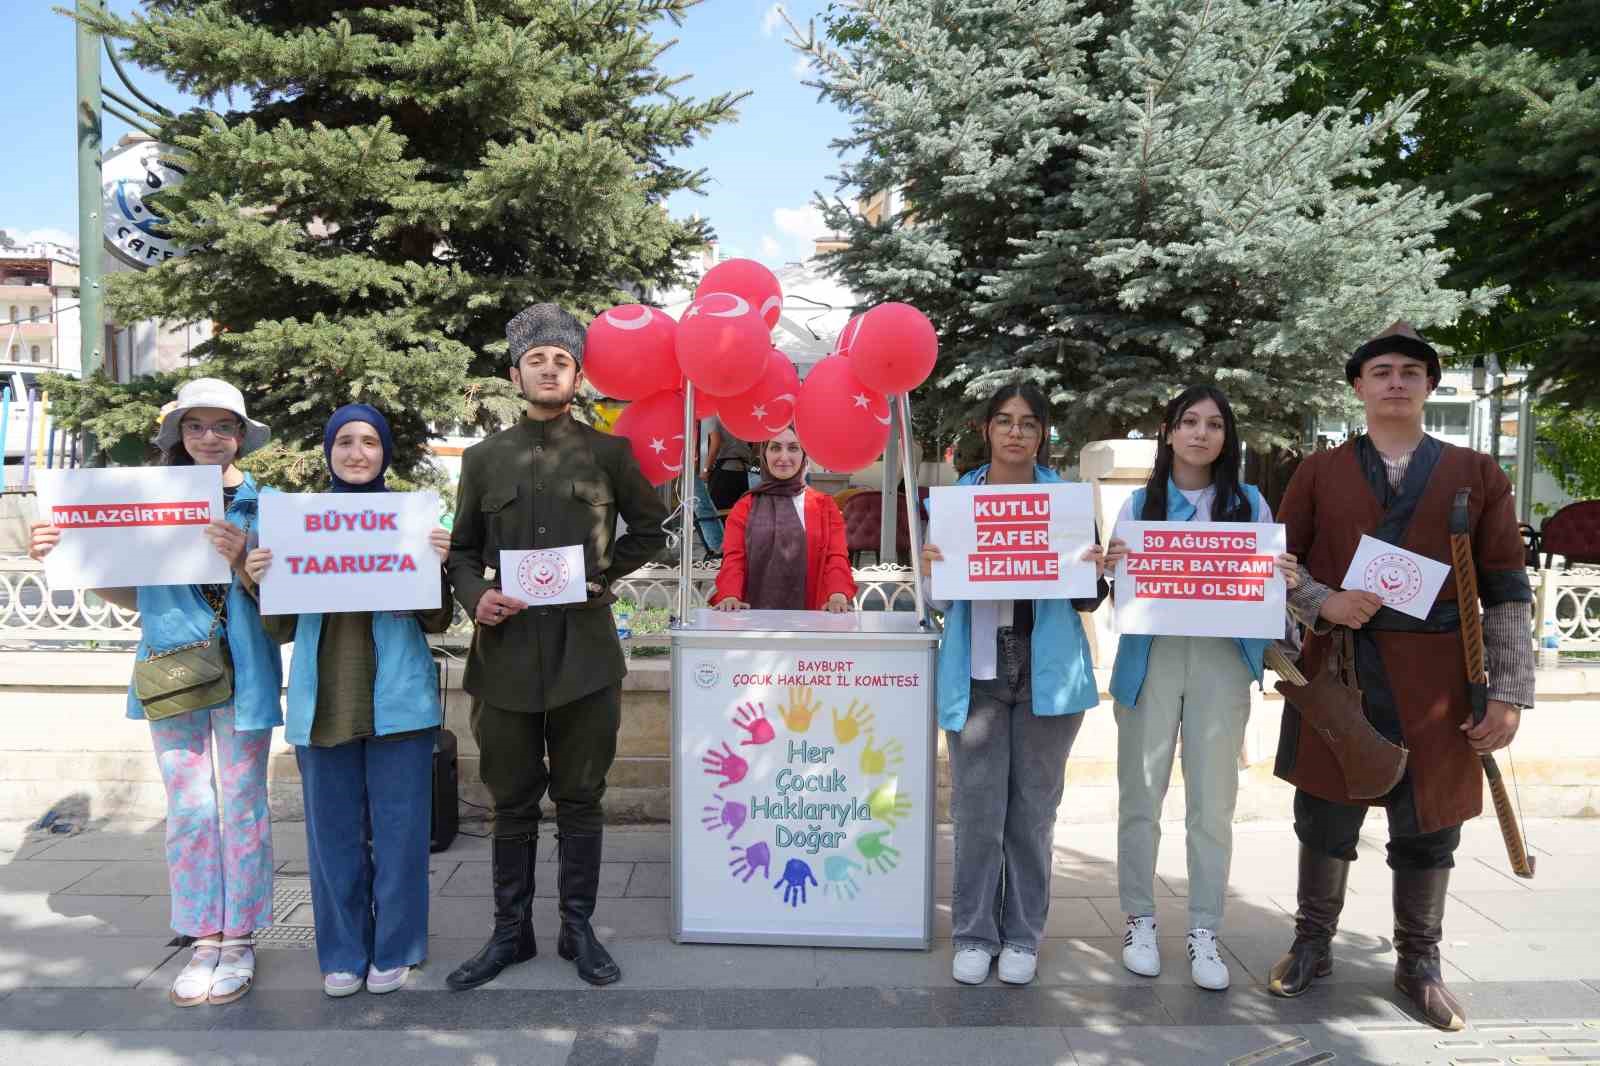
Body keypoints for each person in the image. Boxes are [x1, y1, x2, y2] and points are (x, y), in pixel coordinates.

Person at [1266, 322, 1534, 1030]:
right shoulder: (1317, 472)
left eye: (1409, 372)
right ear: (1358, 386)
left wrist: (1508, 693)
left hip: (1439, 677)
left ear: (1429, 387)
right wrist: (1326, 601)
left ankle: (1420, 962)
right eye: (1380, 371)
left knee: (1429, 825)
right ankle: (1312, 944)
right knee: (1323, 816)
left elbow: (1507, 589)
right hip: (1339, 671)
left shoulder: (1477, 474)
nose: (1394, 382)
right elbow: (1277, 570)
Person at [29, 377, 282, 1007]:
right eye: (194, 426)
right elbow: (130, 592)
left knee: (244, 806)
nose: (208, 438)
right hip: (171, 669)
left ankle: (241, 937)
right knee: (190, 808)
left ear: (240, 436)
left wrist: (242, 558)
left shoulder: (267, 505)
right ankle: (204, 937)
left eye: (221, 426)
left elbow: (288, 606)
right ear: (178, 436)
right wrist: (68, 558)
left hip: (246, 672)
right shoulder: (148, 499)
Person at [445, 303, 670, 989]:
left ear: (577, 375)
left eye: (561, 361)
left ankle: (579, 932)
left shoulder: (608, 453)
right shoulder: (485, 459)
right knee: (511, 802)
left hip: (585, 657)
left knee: (581, 799)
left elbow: (650, 530)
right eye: (535, 360)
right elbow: (460, 551)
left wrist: (603, 575)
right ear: (516, 374)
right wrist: (473, 593)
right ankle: (510, 934)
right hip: (505, 655)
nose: (548, 369)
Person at [244, 404, 453, 998]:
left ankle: (396, 948)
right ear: (329, 451)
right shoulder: (297, 524)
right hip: (323, 706)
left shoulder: (411, 519)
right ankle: (341, 953)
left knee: (401, 835)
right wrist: (259, 576)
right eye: (344, 442)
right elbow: (280, 627)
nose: (357, 453)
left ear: (385, 452)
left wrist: (436, 563)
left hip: (400, 705)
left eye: (369, 442)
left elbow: (437, 618)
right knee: (331, 839)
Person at [1103, 385, 1300, 991]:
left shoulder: (1251, 505)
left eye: (1214, 424)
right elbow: (1118, 594)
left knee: (1212, 803)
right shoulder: (1140, 504)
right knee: (1141, 796)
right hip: (1151, 660)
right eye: (1188, 422)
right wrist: (1109, 567)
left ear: (1226, 437)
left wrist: (1284, 577)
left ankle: (1206, 929)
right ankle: (1139, 919)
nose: (1200, 434)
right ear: (1168, 432)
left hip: (1221, 662)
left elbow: (1269, 594)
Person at [920, 381, 1110, 987]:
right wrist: (929, 568)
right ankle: (975, 934)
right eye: (1004, 421)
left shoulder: (1067, 501)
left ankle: (1023, 935)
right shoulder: (958, 500)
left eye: (1029, 423)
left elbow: (1086, 597)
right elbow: (941, 598)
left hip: (1046, 671)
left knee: (1032, 813)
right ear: (987, 430)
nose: (1016, 432)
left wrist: (1095, 568)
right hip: (977, 672)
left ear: (1042, 434)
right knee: (978, 812)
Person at [709, 425, 856, 613]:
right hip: (753, 619)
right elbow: (734, 558)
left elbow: (836, 557)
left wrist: (837, 595)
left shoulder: (824, 505)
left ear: (804, 454)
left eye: (793, 448)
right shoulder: (745, 506)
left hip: (814, 617)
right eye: (775, 448)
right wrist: (730, 595)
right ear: (764, 454)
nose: (784, 457)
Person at [701, 415, 755, 511]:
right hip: (743, 473)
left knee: (719, 517)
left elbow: (716, 443)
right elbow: (755, 444)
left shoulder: (711, 415)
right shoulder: (740, 412)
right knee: (739, 515)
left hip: (724, 474)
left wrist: (706, 470)